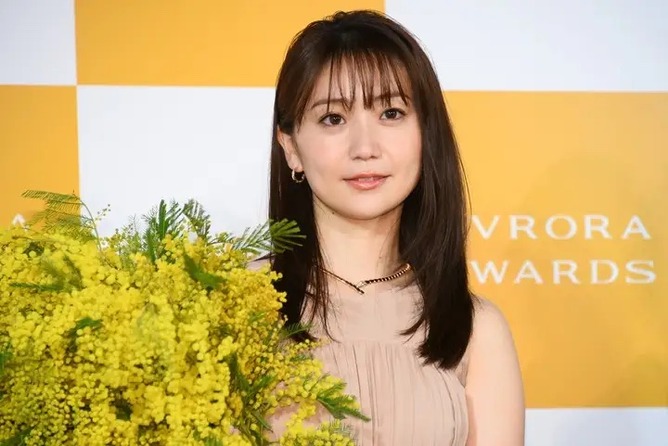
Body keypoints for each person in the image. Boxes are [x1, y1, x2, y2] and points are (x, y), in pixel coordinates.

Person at [264, 9, 525, 445]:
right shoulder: (232, 307)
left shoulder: (475, 329)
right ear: (290, 146)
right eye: (333, 119)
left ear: (426, 133)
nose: (365, 148)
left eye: (391, 112)